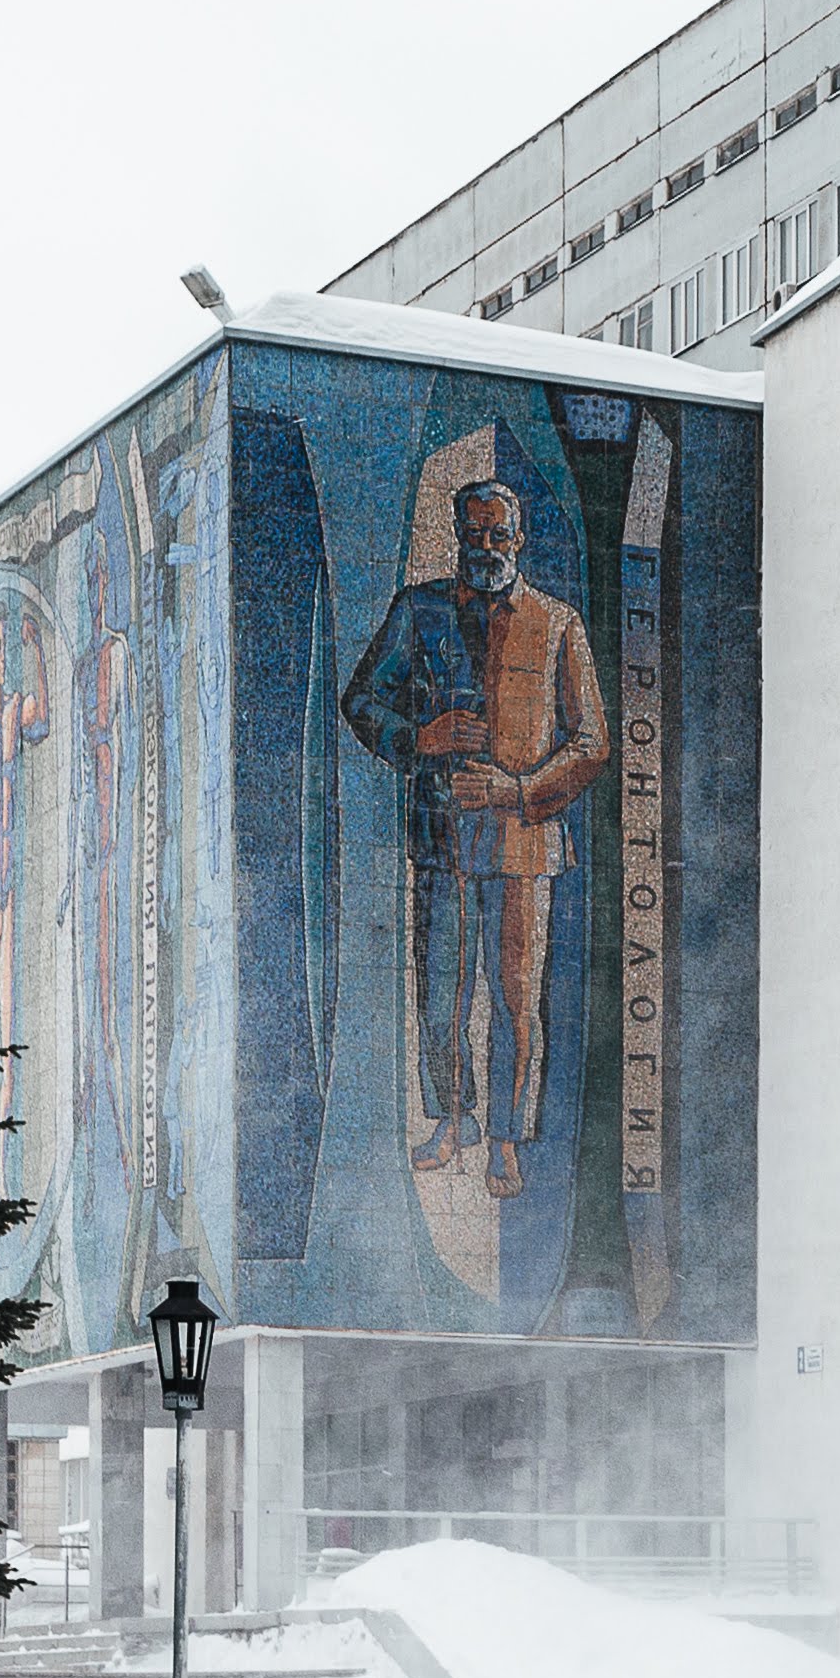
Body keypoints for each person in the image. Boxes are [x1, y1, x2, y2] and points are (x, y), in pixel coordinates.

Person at [343, 478, 610, 1200]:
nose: (485, 548)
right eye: (473, 535)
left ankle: (505, 1141)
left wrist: (516, 791)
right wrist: (418, 737)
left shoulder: (557, 624)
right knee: (441, 997)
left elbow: (591, 743)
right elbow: (360, 699)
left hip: (523, 844)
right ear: (457, 536)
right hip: (441, 842)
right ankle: (452, 1119)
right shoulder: (418, 609)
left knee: (516, 1000)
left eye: (498, 535)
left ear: (518, 539)